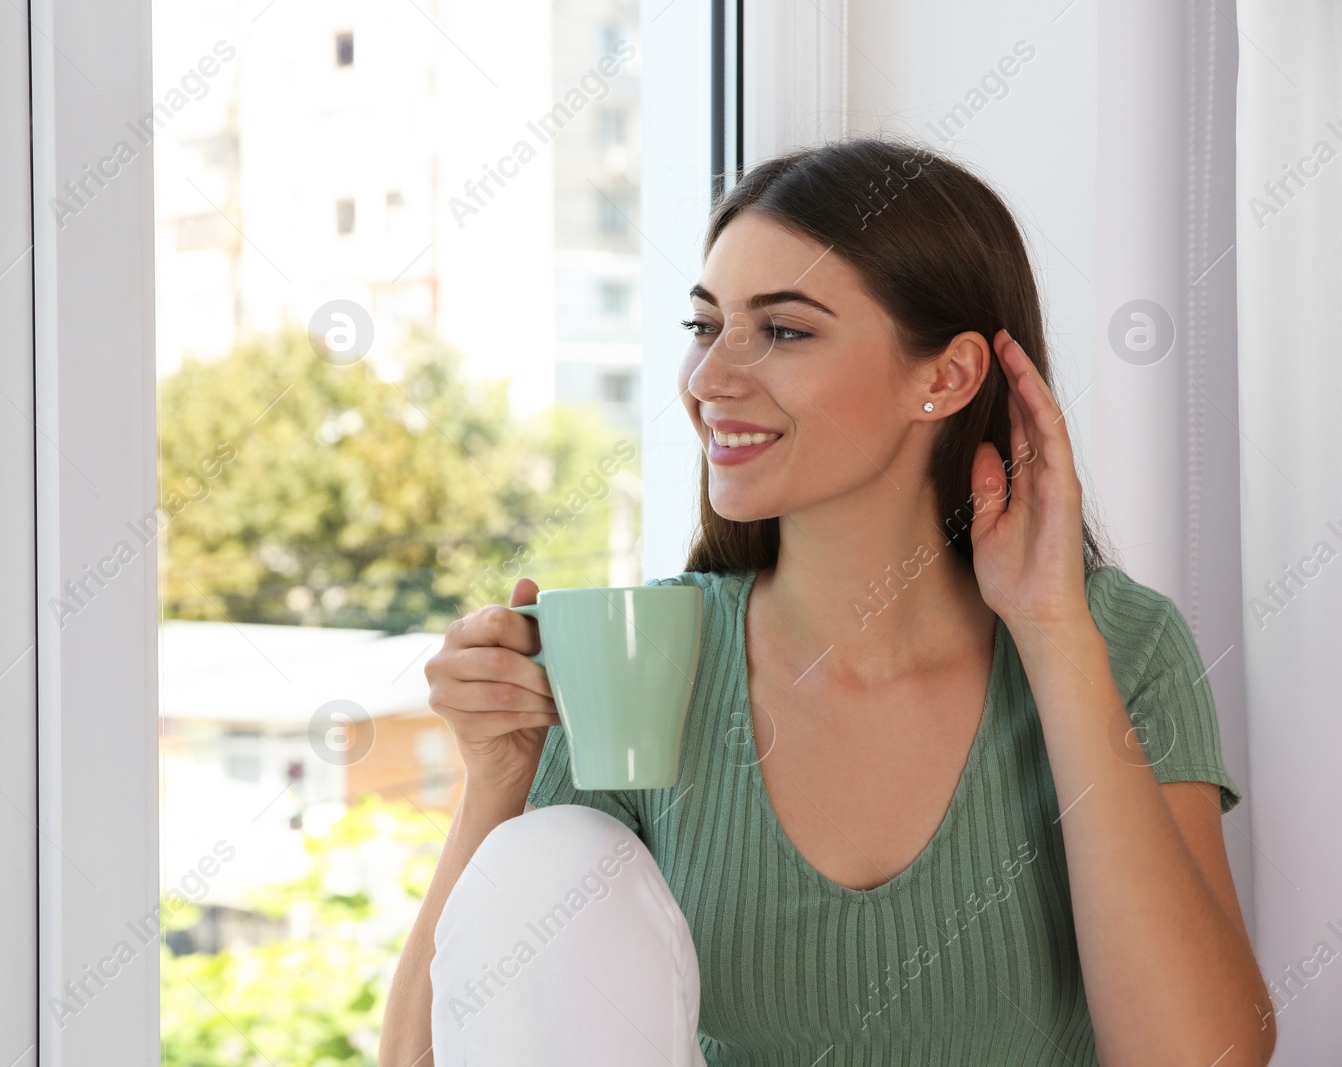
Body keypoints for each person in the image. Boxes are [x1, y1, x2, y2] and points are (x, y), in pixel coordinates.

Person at [379, 138, 1276, 1066]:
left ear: (946, 376)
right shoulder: (640, 655)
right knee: (544, 855)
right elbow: (425, 1058)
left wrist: (1052, 632)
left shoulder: (1120, 644)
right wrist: (498, 777)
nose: (708, 380)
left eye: (784, 330)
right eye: (705, 327)